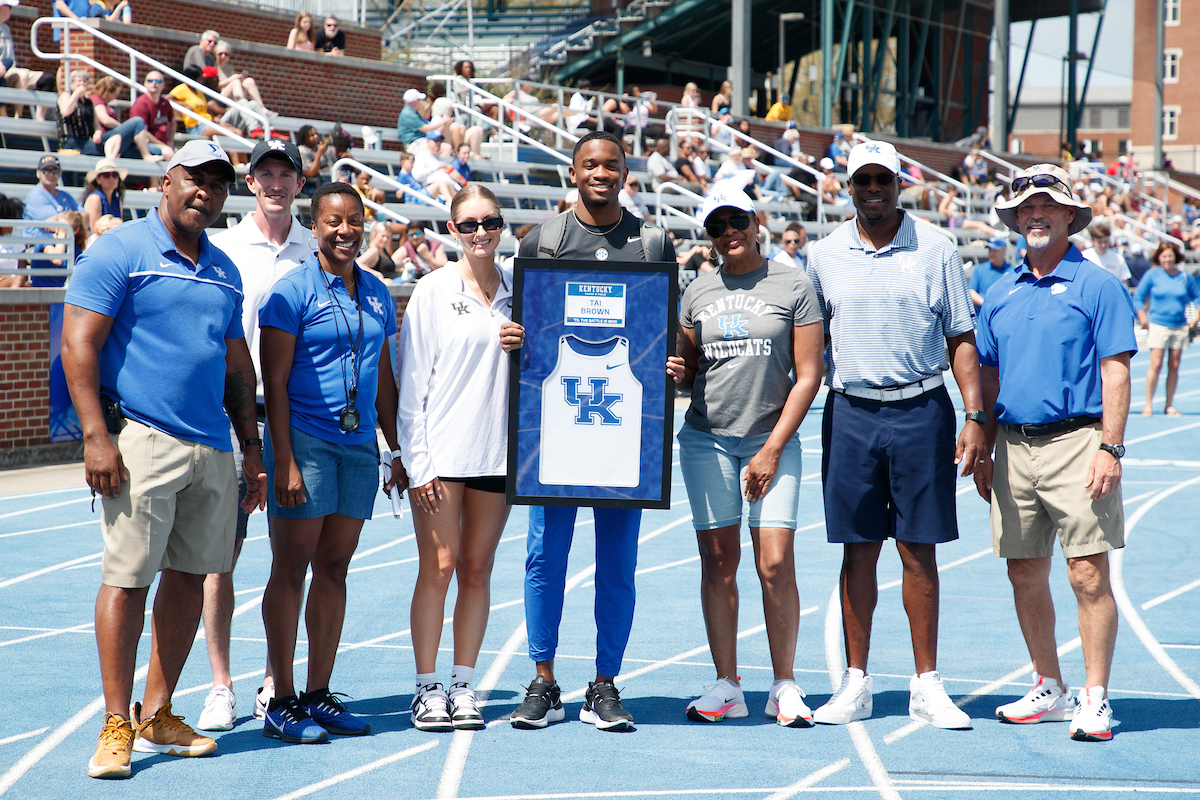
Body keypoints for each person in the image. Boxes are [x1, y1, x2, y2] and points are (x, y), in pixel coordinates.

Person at [61, 140, 264, 779]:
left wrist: (250, 448)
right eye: (195, 179)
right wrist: (96, 436)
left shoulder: (225, 269)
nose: (206, 191)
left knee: (190, 577)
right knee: (128, 578)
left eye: (218, 183)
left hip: (211, 447)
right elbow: (78, 343)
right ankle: (116, 722)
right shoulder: (120, 251)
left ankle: (158, 712)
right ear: (165, 183)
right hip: (142, 440)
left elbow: (237, 367)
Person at [806, 140, 985, 730]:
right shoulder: (823, 254)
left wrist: (975, 416)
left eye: (883, 178)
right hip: (852, 412)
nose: (873, 188)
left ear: (900, 183)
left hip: (920, 409)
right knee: (858, 550)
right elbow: (809, 346)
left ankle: (927, 685)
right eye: (863, 181)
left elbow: (961, 336)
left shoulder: (937, 247)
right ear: (848, 188)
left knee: (918, 548)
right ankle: (854, 683)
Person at [508, 130, 676, 732]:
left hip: (621, 430)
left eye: (611, 164)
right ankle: (544, 678)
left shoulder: (651, 241)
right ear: (573, 173)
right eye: (590, 164)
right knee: (543, 557)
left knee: (618, 563)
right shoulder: (543, 240)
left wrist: (673, 362)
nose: (600, 173)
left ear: (625, 173)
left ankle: (604, 682)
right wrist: (513, 338)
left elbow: (665, 330)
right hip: (556, 426)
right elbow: (522, 322)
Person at [974, 164, 1136, 742]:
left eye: (1047, 206)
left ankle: (1095, 696)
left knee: (1088, 573)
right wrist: (984, 444)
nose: (1036, 215)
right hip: (1014, 447)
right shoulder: (998, 293)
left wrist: (1110, 448)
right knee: (1024, 572)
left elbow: (1116, 371)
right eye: (1026, 208)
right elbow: (988, 380)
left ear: (1069, 215)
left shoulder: (1099, 286)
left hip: (1078, 441)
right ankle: (1049, 683)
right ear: (1015, 219)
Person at [667, 188, 824, 727]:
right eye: (716, 226)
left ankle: (784, 684)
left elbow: (809, 376)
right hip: (707, 439)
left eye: (736, 220)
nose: (728, 232)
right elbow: (688, 367)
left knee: (775, 563)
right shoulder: (698, 291)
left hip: (771, 439)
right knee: (719, 562)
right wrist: (677, 373)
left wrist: (773, 448)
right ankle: (727, 684)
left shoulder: (793, 283)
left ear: (756, 222)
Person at [258, 182, 402, 744]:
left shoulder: (377, 292)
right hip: (305, 443)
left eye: (354, 221)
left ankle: (319, 693)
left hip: (358, 446)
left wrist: (395, 447)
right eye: (333, 222)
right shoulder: (289, 293)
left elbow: (383, 378)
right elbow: (273, 384)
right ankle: (283, 698)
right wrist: (286, 462)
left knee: (336, 568)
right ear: (314, 226)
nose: (345, 231)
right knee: (291, 568)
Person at [400, 185, 525, 731]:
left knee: (477, 570)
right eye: (468, 224)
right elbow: (412, 385)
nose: (480, 233)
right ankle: (427, 688)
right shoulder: (432, 290)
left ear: (502, 227)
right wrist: (417, 461)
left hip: (497, 455)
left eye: (490, 222)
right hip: (443, 455)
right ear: (452, 230)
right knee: (440, 567)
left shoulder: (523, 290)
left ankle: (463, 683)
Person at [199, 140, 313, 730]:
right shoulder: (222, 249)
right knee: (222, 555)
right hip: (233, 418)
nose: (274, 182)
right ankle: (220, 683)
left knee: (291, 558)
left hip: (295, 420)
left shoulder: (314, 250)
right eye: (264, 173)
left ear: (299, 182)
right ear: (249, 183)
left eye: (284, 173)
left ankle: (277, 677)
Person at [1134, 241, 1199, 417]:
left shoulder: (1184, 276)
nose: (1167, 259)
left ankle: (1169, 405)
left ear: (1175, 257)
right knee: (1155, 364)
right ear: (1159, 258)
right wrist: (1142, 317)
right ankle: (1148, 404)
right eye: (1164, 256)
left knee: (1174, 365)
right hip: (1158, 325)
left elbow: (1197, 297)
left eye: (1170, 256)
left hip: (1179, 326)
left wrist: (1195, 319)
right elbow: (1138, 297)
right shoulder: (1152, 275)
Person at [57, 69, 159, 160]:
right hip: (72, 143)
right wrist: (77, 93)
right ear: (71, 84)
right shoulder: (66, 96)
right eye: (79, 82)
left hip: (89, 141)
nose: (82, 84)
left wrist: (97, 133)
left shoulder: (89, 103)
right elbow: (65, 111)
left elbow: (97, 125)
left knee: (125, 131)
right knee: (129, 129)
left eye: (85, 81)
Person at [22, 155, 79, 287]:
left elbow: (84, 217)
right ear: (38, 173)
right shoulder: (36, 195)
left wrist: (65, 221)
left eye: (54, 170)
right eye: (46, 170)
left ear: (59, 173)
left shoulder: (65, 195)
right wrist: (69, 220)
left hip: (63, 243)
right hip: (40, 247)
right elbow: (57, 225)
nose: (51, 174)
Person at [129, 70, 175, 159]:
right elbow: (141, 132)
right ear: (145, 83)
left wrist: (170, 141)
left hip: (163, 145)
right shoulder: (141, 104)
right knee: (168, 153)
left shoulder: (165, 103)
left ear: (163, 85)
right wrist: (163, 145)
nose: (154, 83)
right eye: (150, 81)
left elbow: (172, 122)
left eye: (158, 81)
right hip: (146, 145)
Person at [213, 41, 268, 112]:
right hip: (219, 96)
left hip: (233, 96)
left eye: (226, 54)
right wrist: (233, 79)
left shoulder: (229, 68)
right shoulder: (213, 66)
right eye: (220, 54)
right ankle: (243, 107)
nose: (223, 56)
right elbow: (215, 86)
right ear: (215, 54)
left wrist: (240, 78)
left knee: (249, 81)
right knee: (235, 82)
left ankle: (262, 108)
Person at [397, 88, 450, 153]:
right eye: (419, 100)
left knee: (442, 146)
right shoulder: (408, 113)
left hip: (420, 141)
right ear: (414, 101)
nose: (420, 102)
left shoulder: (413, 112)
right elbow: (426, 129)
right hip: (414, 144)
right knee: (446, 148)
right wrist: (442, 122)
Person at [80, 158, 126, 232]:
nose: (111, 178)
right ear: (98, 179)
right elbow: (95, 231)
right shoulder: (94, 199)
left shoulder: (117, 200)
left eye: (114, 175)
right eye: (106, 175)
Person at [969, 235, 1013, 307]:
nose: (991, 254)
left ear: (1004, 250)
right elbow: (971, 291)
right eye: (990, 250)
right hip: (983, 315)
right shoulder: (980, 269)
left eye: (995, 250)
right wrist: (986, 304)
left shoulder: (1013, 271)